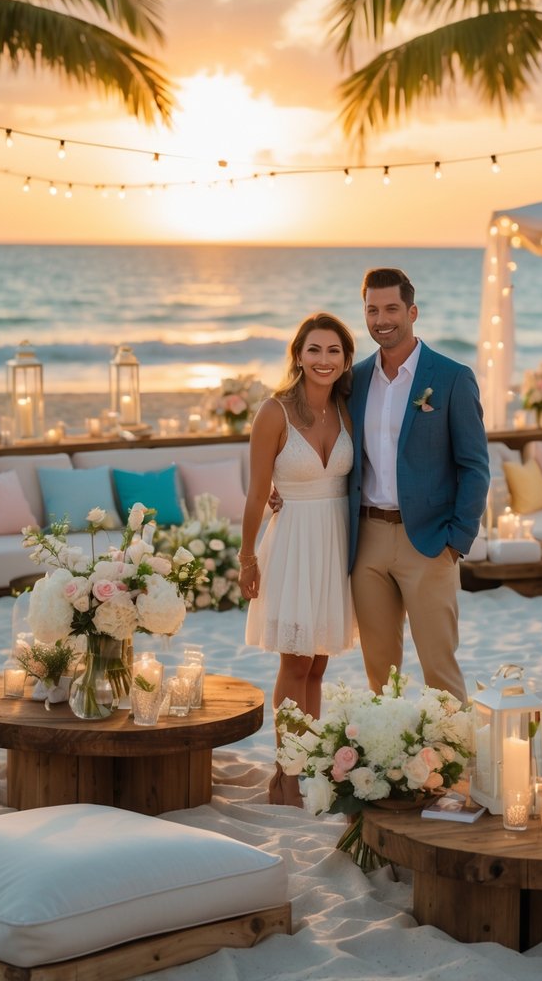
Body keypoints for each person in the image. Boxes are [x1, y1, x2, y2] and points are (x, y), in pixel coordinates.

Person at [348, 267, 489, 702]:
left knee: (440, 671)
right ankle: (389, 763)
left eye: (391, 308)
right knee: (379, 673)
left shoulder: (451, 377)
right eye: (372, 310)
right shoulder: (352, 380)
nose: (381, 319)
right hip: (366, 539)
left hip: (429, 542)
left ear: (412, 311)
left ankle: (456, 769)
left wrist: (457, 541)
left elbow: (475, 466)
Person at [240, 312, 357, 805]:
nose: (324, 360)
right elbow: (256, 492)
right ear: (298, 354)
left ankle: (309, 764)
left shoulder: (349, 409)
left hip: (335, 542)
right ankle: (285, 774)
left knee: (318, 664)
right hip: (292, 544)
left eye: (334, 351)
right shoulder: (274, 412)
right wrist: (247, 557)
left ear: (346, 359)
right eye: (315, 350)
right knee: (295, 659)